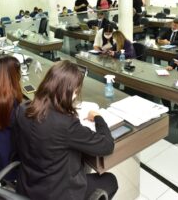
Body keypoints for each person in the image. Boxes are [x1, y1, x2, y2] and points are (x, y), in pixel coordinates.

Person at [13, 60, 118, 200]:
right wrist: (98, 118)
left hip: (28, 185)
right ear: (70, 92)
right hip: (57, 194)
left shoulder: (23, 108)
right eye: (76, 91)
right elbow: (107, 145)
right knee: (110, 180)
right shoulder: (65, 124)